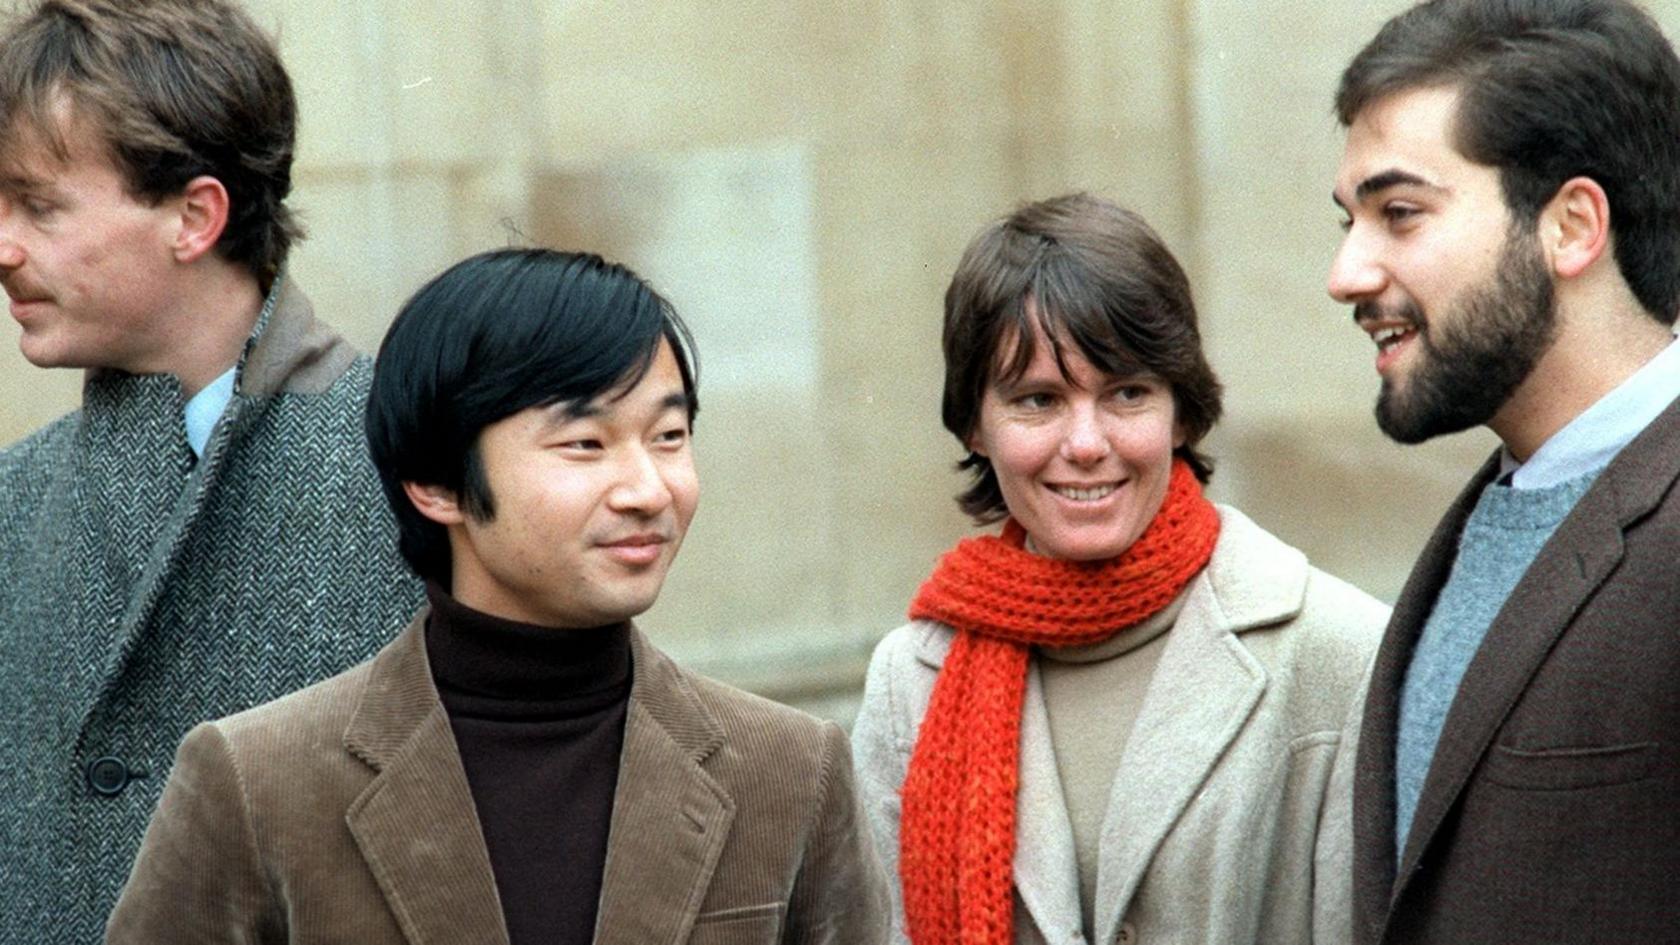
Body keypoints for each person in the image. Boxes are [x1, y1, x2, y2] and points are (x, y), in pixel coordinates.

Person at [106, 248, 891, 944]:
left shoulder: (788, 769)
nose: (650, 489)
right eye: (585, 443)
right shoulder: (258, 780)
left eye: (669, 436)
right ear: (437, 483)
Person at [851, 193, 1387, 945]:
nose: (1086, 442)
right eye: (1038, 400)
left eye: (1126, 393)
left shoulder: (1340, 651)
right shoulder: (908, 681)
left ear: (1184, 411)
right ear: (974, 424)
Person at [0, 1, 421, 938]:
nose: (4, 247)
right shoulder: (12, 503)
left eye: (38, 204)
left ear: (195, 216)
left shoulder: (415, 473)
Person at [1327, 1, 1680, 941]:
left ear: (1571, 226)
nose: (1347, 273)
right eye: (1350, 219)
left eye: (1399, 213)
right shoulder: (1490, 511)